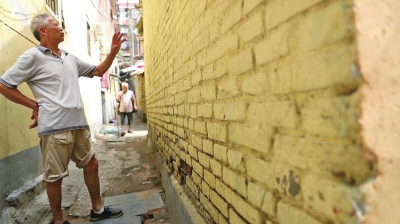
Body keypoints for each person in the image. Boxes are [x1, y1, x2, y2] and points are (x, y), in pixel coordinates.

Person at [0, 13, 125, 224]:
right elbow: (4, 84)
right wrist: (34, 104)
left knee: (91, 164)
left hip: (79, 125)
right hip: (54, 128)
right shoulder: (32, 56)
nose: (61, 26)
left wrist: (112, 53)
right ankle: (58, 220)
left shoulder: (69, 57)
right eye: (55, 23)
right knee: (55, 177)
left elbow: (98, 70)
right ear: (43, 30)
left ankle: (97, 209)